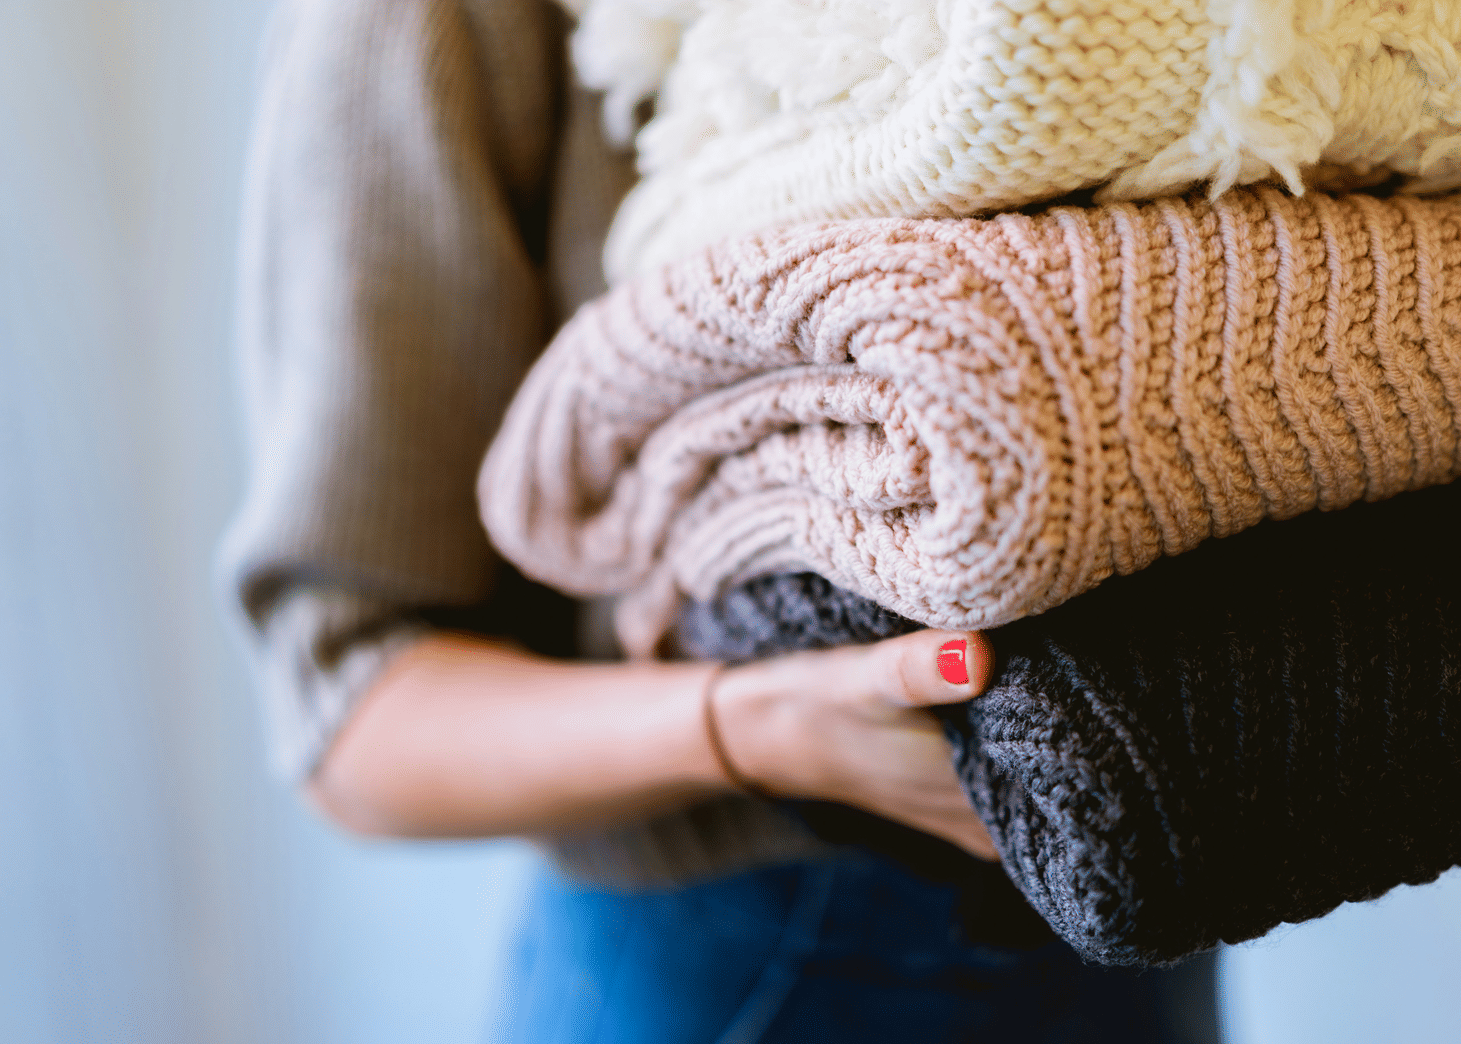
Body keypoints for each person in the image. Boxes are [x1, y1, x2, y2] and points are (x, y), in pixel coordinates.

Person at [221, 0, 1219, 1039]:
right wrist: (753, 729)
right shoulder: (424, 24)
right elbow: (349, 717)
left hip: (1141, 898)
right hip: (758, 953)